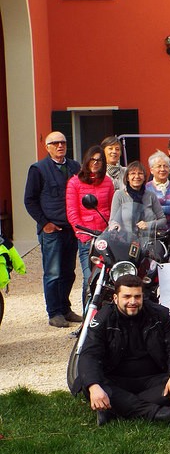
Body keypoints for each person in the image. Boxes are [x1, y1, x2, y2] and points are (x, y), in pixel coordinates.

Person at [73, 274, 170, 425]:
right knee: (89, 385)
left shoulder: (160, 314)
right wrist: (94, 386)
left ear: (143, 297)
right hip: (115, 380)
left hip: (152, 379)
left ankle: (113, 409)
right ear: (115, 298)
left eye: (137, 297)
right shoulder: (103, 319)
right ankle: (157, 414)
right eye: (127, 297)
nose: (132, 302)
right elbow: (89, 355)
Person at [24, 131, 82, 328]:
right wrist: (44, 223)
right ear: (46, 147)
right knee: (53, 272)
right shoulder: (38, 169)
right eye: (55, 143)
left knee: (69, 272)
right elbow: (29, 200)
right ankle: (54, 312)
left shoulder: (75, 167)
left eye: (63, 143)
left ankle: (65, 308)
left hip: (71, 229)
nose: (60, 146)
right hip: (52, 230)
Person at [66, 145, 114, 305]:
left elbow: (112, 209)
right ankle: (86, 319)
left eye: (99, 160)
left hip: (106, 236)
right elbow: (72, 212)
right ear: (86, 161)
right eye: (92, 159)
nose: (95, 163)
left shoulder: (107, 182)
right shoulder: (74, 182)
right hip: (87, 237)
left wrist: (111, 230)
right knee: (90, 278)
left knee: (107, 278)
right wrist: (83, 235)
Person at [110, 161, 167, 233]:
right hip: (126, 240)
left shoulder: (151, 196)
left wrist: (149, 225)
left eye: (140, 173)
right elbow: (113, 221)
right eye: (133, 173)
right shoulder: (119, 195)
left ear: (144, 177)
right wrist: (116, 227)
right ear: (127, 177)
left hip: (148, 240)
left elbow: (163, 220)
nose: (137, 176)